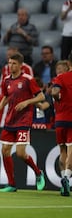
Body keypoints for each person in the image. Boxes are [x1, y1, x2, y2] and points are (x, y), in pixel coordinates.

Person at [0, 52, 46, 192]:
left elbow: (41, 96)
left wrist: (27, 102)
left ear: (21, 65)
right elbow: (6, 98)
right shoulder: (7, 80)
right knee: (5, 150)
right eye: (9, 63)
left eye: (14, 63)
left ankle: (38, 172)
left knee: (21, 153)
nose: (11, 65)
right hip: (10, 120)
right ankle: (12, 184)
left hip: (24, 120)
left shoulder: (28, 79)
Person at [51, 59, 71, 196]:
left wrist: (58, 99)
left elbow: (54, 92)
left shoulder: (60, 78)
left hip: (60, 119)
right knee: (71, 150)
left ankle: (64, 181)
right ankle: (66, 178)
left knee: (62, 150)